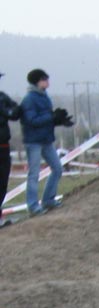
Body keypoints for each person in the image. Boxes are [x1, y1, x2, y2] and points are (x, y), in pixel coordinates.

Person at [19, 69, 72, 216]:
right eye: (45, 79)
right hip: (33, 141)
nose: (48, 81)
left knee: (57, 168)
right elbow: (31, 120)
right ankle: (33, 206)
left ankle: (48, 199)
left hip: (46, 139)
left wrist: (59, 120)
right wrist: (52, 117)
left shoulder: (44, 96)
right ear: (38, 81)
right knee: (34, 174)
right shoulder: (29, 99)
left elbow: (45, 118)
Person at [0, 73, 21, 227]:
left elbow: (15, 111)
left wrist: (7, 112)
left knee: (2, 183)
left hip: (3, 145)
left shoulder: (2, 97)